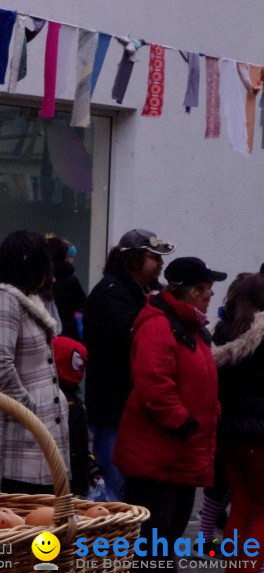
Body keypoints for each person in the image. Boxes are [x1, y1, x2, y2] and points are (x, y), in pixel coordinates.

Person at [114, 256, 223, 551]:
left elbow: (199, 380)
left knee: (167, 539)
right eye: (205, 288)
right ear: (188, 292)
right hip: (159, 456)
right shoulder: (158, 325)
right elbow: (154, 385)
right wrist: (183, 421)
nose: (211, 294)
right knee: (153, 545)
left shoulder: (191, 327)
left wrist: (212, 413)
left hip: (180, 453)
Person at [0, 230, 69, 494]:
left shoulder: (25, 298)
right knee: (21, 521)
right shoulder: (2, 300)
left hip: (33, 429)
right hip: (17, 430)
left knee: (42, 519)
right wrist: (28, 408)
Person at [83, 228, 175, 502]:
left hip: (133, 402)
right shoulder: (110, 293)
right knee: (114, 482)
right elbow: (132, 335)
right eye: (153, 258)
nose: (160, 264)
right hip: (113, 402)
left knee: (129, 483)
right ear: (132, 259)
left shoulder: (146, 291)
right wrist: (154, 311)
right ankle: (101, 538)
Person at [210, 272, 264, 568]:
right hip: (260, 434)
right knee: (263, 510)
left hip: (229, 433)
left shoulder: (221, 332)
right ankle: (249, 567)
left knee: (240, 505)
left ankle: (233, 567)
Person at [51, 335, 100, 498]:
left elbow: (81, 440)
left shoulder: (75, 400)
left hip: (77, 480)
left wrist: (91, 468)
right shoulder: (57, 401)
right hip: (64, 482)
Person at [45, 235, 87, 340]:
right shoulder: (70, 280)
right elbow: (84, 306)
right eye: (71, 256)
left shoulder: (39, 278)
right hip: (67, 334)